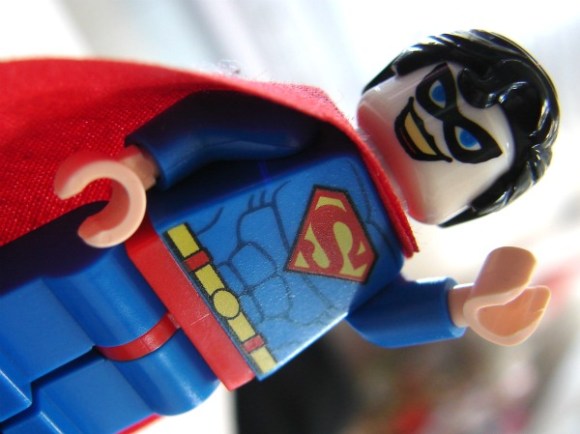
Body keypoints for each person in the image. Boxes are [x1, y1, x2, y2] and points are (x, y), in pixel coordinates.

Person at [0, 30, 558, 433]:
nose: (436, 129)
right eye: (437, 96)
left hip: (193, 363)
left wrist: (462, 308)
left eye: (467, 143)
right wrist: (142, 167)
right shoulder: (307, 135)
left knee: (71, 417)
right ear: (396, 76)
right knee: (29, 321)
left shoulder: (382, 259)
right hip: (126, 266)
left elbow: (376, 318)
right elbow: (209, 128)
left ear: (471, 205)